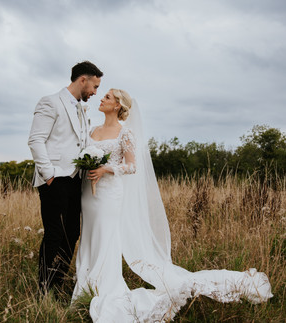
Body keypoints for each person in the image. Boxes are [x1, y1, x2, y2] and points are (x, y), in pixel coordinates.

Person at [71, 88, 273, 322]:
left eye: (107, 97)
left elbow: (132, 166)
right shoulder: (93, 130)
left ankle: (102, 284)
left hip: (109, 194)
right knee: (88, 235)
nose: (102, 98)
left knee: (106, 236)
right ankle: (85, 283)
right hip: (89, 195)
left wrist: (106, 168)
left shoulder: (125, 134)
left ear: (117, 105)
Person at [28, 61, 103, 295]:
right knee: (55, 234)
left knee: (72, 233)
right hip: (55, 179)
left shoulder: (82, 108)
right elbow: (36, 140)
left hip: (75, 180)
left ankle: (57, 284)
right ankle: (44, 289)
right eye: (95, 86)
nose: (95, 92)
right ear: (83, 79)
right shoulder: (50, 102)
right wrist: (49, 175)